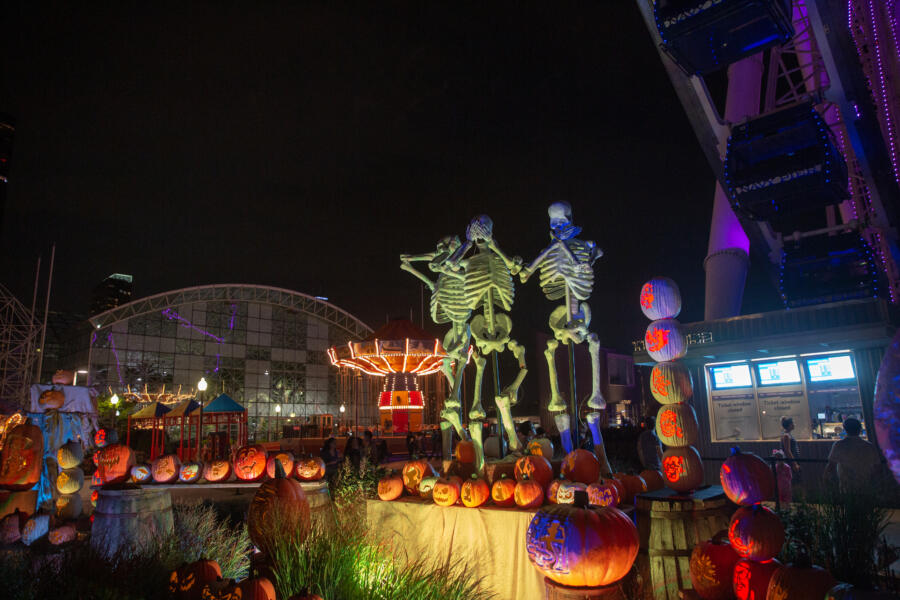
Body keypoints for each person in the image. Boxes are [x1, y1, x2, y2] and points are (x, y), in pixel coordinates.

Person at [824, 417, 883, 490]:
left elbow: (831, 466)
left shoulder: (839, 445)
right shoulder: (869, 446)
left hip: (846, 487)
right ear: (860, 429)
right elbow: (878, 468)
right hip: (866, 486)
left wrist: (826, 480)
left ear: (845, 429)